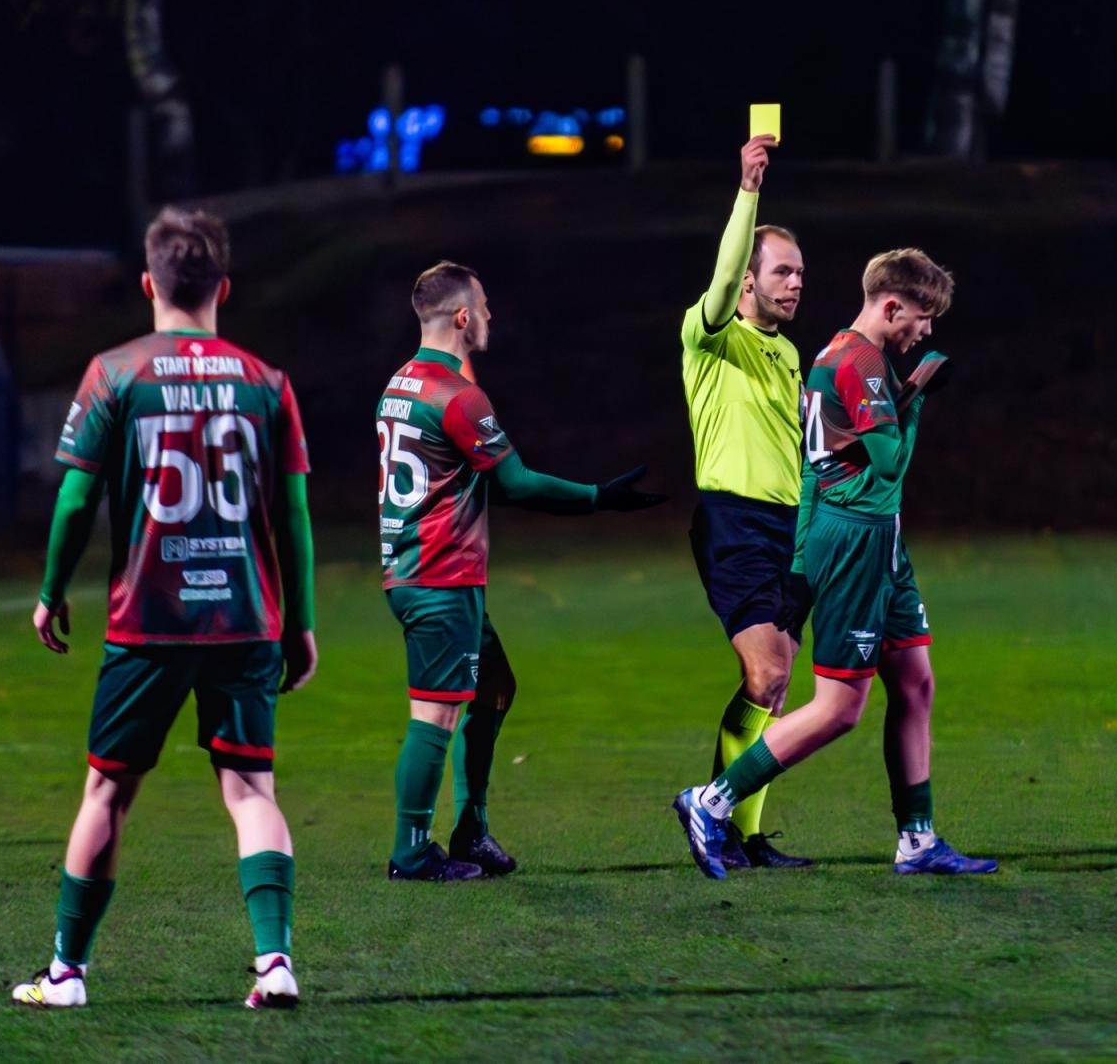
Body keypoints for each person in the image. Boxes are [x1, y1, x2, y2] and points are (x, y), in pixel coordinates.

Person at [11, 207, 318, 1010]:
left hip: (148, 619)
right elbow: (294, 516)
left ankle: (66, 974)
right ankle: (276, 961)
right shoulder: (268, 382)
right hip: (245, 616)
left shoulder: (114, 373)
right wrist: (302, 620)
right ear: (224, 286)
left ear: (149, 283)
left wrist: (50, 591)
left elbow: (76, 500)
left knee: (107, 794)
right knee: (253, 791)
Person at [674, 248, 996, 879]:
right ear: (892, 305)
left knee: (915, 679)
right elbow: (889, 463)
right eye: (921, 317)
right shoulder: (861, 363)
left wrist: (797, 561)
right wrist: (920, 394)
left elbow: (814, 468)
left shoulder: (827, 354)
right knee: (839, 707)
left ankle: (917, 839)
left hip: (875, 535)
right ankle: (711, 802)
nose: (924, 332)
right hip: (855, 541)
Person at [381, 260, 664, 881]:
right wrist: (598, 498)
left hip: (417, 569)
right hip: (438, 575)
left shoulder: (400, 383)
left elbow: (481, 481)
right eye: (483, 305)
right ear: (462, 317)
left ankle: (472, 829)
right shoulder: (458, 395)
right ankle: (411, 853)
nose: (490, 315)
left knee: (495, 688)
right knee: (435, 714)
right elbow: (515, 483)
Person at [680, 134, 813, 870]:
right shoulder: (708, 338)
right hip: (733, 521)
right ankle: (714, 808)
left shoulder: (788, 352)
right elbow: (723, 274)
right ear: (750, 283)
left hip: (792, 527)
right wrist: (748, 190)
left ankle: (744, 833)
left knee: (775, 684)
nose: (796, 284)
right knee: (765, 673)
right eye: (783, 272)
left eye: (800, 273)